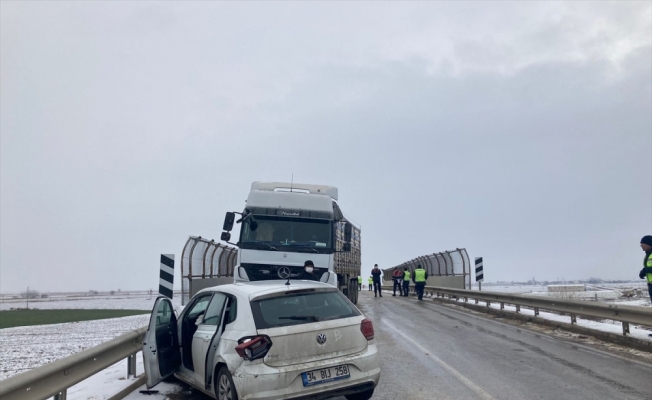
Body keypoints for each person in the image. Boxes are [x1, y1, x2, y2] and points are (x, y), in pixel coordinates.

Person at [638, 235, 652, 306]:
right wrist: (643, 272)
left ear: (648, 244)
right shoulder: (648, 255)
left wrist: (645, 270)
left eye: (642, 244)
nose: (641, 245)